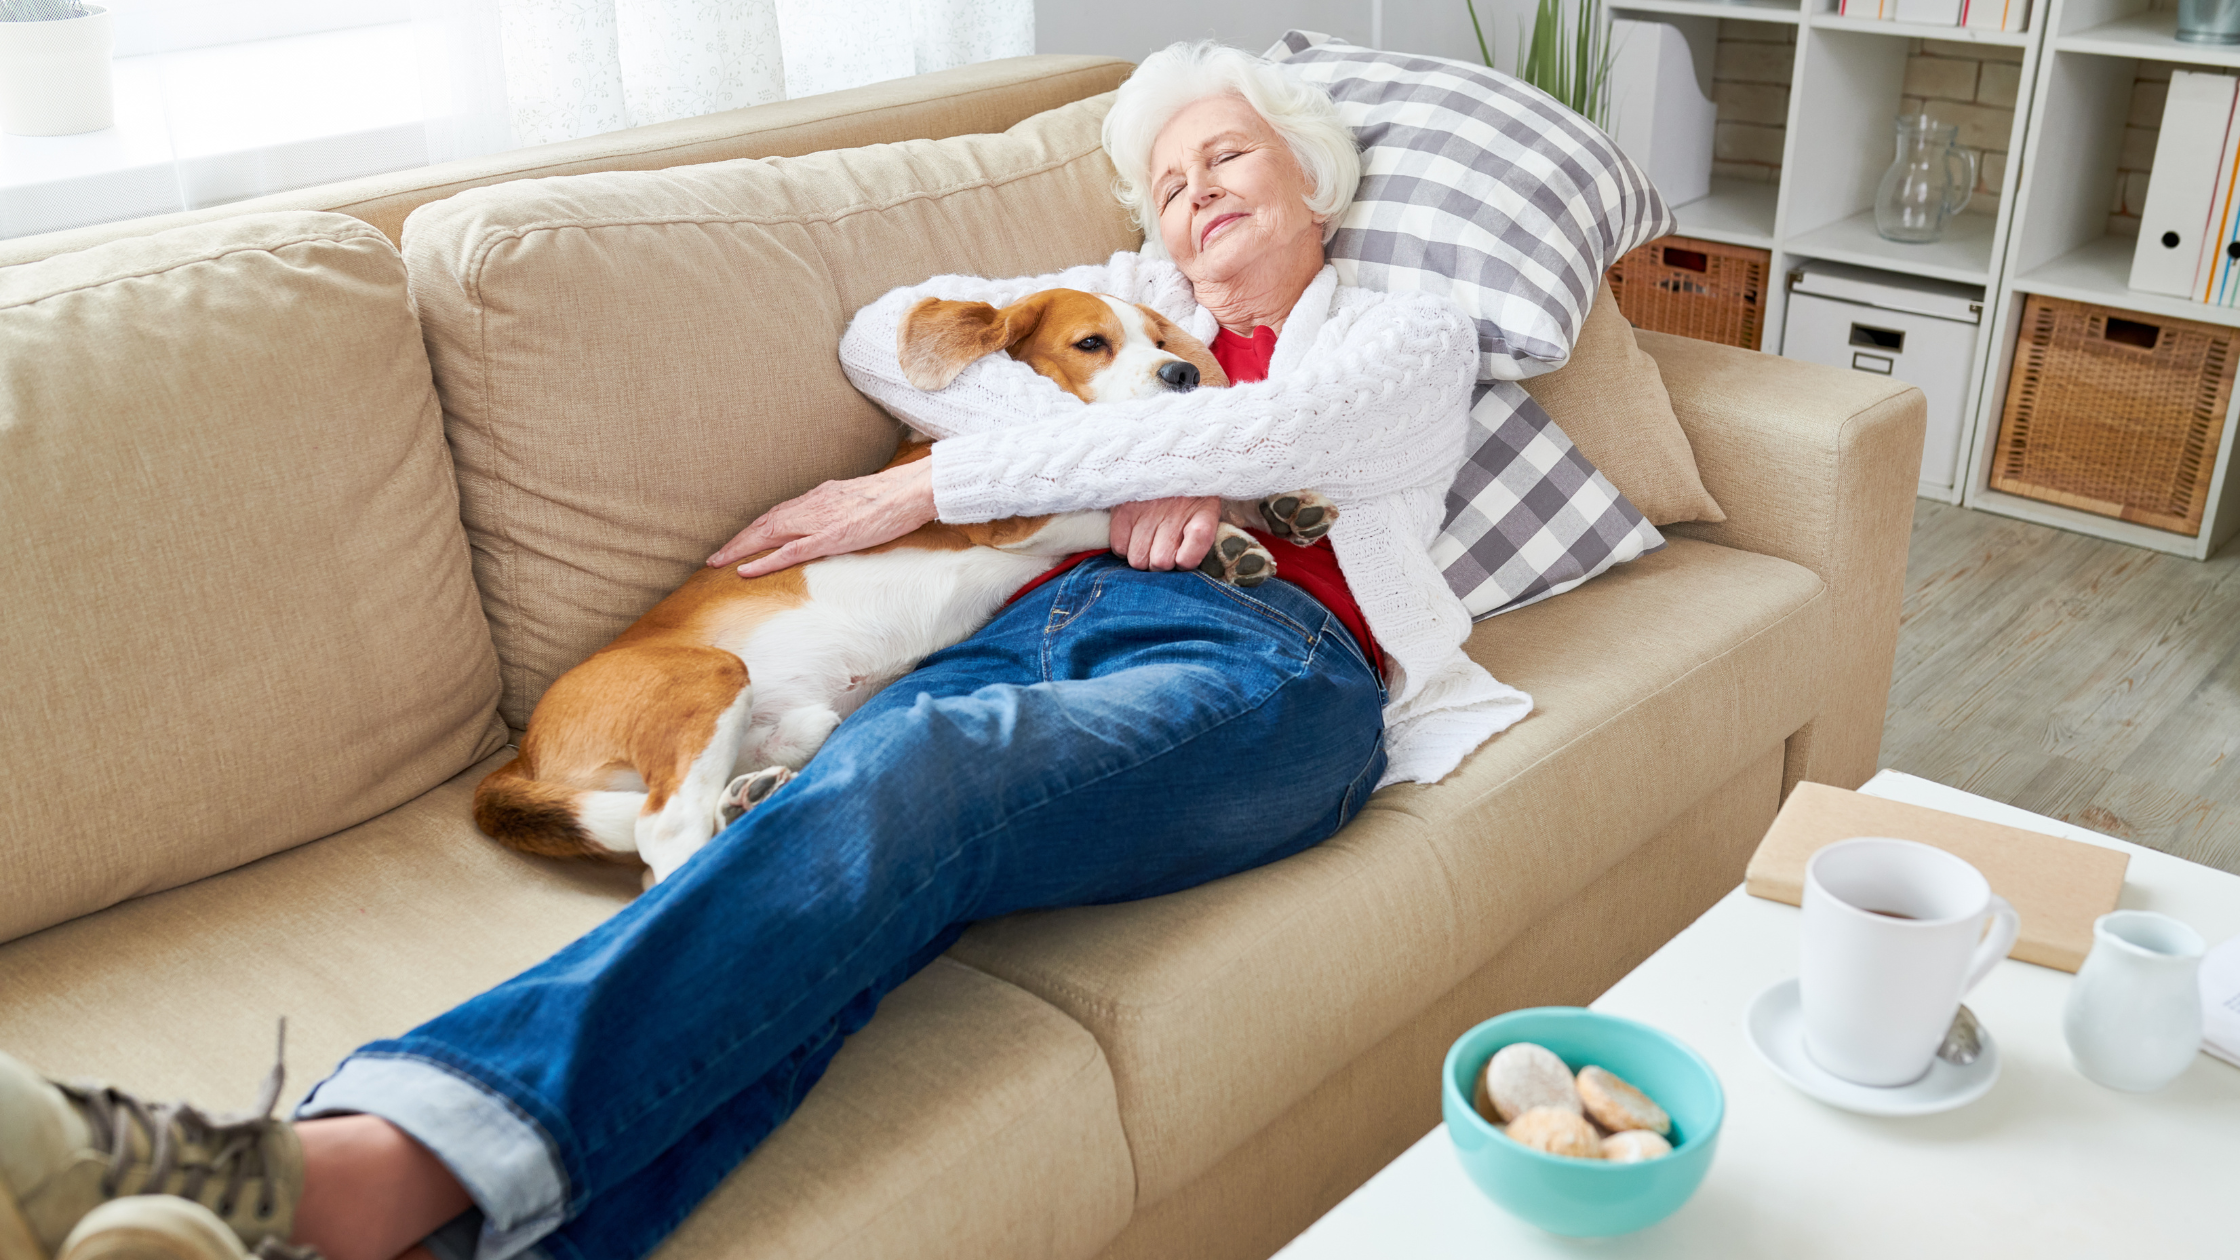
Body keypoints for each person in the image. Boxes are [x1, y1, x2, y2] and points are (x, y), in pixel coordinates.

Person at [0, 39, 1531, 1260]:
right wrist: (1124, 450)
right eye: (1166, 177)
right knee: (844, 843)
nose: (1194, 194)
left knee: (922, 764)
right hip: (1033, 615)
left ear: (1314, 180)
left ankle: (341, 1165)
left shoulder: (1402, 328)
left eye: (1230, 157)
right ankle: (406, 1216)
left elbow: (1295, 427)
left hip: (1272, 664)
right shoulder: (1118, 314)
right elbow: (892, 339)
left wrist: (985, 472)